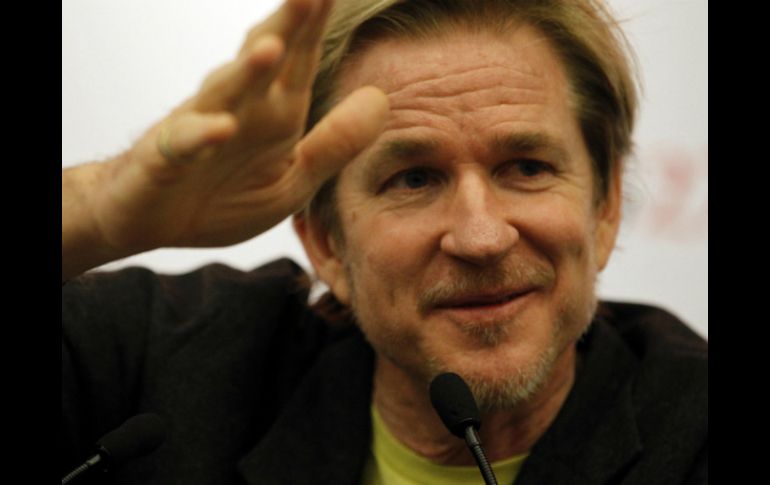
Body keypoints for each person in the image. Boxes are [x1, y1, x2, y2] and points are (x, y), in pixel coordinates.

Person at [61, 0, 708, 483]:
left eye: (527, 167)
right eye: (415, 178)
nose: (481, 237)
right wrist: (95, 211)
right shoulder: (166, 365)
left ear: (605, 208)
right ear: (326, 243)